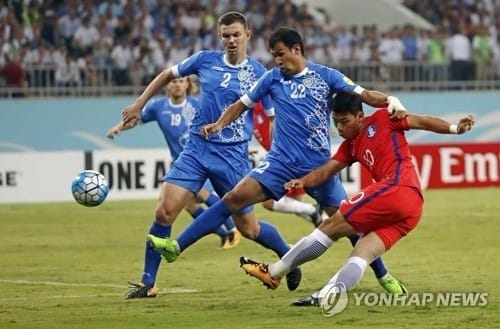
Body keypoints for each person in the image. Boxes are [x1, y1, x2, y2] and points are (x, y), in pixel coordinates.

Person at [147, 27, 410, 297]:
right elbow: (241, 105)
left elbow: (365, 95)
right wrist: (218, 124)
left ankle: (384, 276)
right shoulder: (272, 78)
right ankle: (177, 247)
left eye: (281, 54)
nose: (278, 61)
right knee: (233, 199)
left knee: (351, 225)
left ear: (296, 49)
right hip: (279, 163)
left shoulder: (325, 76)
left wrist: (390, 100)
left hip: (318, 166)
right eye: (274, 56)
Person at [120, 12, 302, 296]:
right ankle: (148, 282)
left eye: (236, 35)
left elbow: (271, 118)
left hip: (233, 158)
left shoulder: (258, 73)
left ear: (247, 35)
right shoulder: (205, 60)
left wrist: (276, 153)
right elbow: (167, 74)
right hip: (196, 149)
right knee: (164, 211)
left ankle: (288, 254)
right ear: (220, 36)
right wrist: (139, 104)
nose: (231, 40)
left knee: (249, 228)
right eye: (226, 35)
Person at [240, 91, 475, 310]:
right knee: (363, 251)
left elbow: (422, 122)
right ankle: (328, 295)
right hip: (412, 209)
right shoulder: (350, 146)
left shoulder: (385, 118)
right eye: (336, 122)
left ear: (360, 116)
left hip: (396, 187)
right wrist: (303, 181)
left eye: (344, 121)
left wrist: (455, 128)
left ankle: (273, 272)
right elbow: (326, 171)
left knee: (330, 226)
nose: (340, 128)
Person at [108, 76, 241, 299]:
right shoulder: (158, 107)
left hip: (206, 161)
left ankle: (231, 228)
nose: (177, 84)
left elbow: (226, 121)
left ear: (188, 85)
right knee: (180, 208)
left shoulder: (199, 104)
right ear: (168, 85)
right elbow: (136, 118)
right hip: (183, 165)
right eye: (173, 82)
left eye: (181, 81)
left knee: (204, 196)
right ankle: (149, 281)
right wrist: (120, 127)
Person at [252, 101, 322, 226]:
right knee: (295, 201)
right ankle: (323, 223)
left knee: (268, 202)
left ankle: (315, 211)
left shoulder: (269, 105)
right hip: (287, 158)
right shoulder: (250, 110)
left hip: (289, 159)